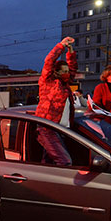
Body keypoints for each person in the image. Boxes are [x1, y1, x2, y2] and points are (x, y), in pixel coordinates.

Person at [35, 37, 77, 166]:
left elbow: (73, 68)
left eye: (67, 71)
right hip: (48, 127)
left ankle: (42, 183)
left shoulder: (66, 84)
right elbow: (49, 61)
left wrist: (70, 52)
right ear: (56, 72)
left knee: (48, 162)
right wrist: (62, 46)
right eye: (63, 71)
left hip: (61, 129)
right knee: (64, 162)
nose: (67, 73)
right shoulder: (48, 81)